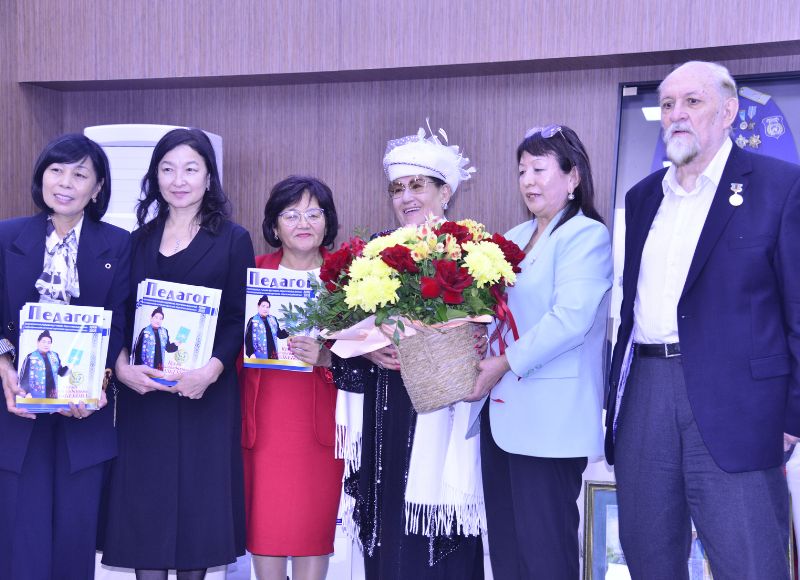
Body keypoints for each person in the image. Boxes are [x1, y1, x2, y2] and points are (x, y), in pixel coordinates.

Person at [605, 60, 800, 580]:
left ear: (728, 112)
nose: (676, 114)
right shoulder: (642, 198)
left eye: (693, 101)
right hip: (646, 395)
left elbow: (798, 309)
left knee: (750, 563)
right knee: (649, 558)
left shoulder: (780, 186)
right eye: (667, 104)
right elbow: (630, 310)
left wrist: (793, 415)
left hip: (740, 407)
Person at [330, 126, 485, 580]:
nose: (406, 197)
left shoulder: (472, 252)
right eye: (397, 189)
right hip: (388, 406)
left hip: (445, 404)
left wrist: (476, 334)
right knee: (389, 522)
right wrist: (367, 352)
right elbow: (340, 332)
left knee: (438, 526)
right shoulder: (373, 253)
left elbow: (489, 328)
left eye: (417, 185)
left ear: (445, 192)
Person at [101, 128, 255, 580]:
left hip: (205, 394)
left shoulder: (233, 239)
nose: (178, 180)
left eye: (190, 169)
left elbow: (238, 318)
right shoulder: (137, 241)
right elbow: (119, 313)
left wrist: (210, 371)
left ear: (209, 176)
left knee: (198, 512)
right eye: (167, 169)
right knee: (144, 508)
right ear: (155, 177)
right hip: (145, 397)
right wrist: (121, 367)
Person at [465, 125, 612, 580]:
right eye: (522, 170)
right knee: (507, 555)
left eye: (539, 169)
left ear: (573, 177)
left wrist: (502, 363)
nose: (528, 180)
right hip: (501, 418)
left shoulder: (586, 235)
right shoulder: (512, 237)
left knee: (545, 556)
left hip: (550, 422)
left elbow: (569, 320)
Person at [0, 133, 131, 580]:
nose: (65, 182)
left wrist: (100, 381)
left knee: (74, 542)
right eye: (56, 170)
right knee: (21, 541)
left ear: (97, 188)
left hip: (84, 412)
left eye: (80, 174)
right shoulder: (6, 236)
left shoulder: (118, 243)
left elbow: (119, 321)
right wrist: (4, 367)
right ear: (41, 178)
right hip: (18, 412)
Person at [239, 176, 343, 580]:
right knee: (265, 523)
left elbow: (366, 354)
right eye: (291, 214)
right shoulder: (251, 272)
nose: (304, 223)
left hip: (321, 419)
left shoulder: (347, 277)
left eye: (314, 213)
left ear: (327, 221)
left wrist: (328, 356)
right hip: (263, 419)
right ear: (274, 224)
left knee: (312, 527)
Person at [19, 330, 70, 398]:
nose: (46, 345)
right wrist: (26, 392)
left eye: (49, 342)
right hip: (35, 395)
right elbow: (23, 376)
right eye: (44, 342)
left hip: (52, 395)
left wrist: (71, 366)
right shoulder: (31, 357)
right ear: (38, 342)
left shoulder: (55, 356)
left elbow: (61, 372)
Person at [244, 295, 287, 359]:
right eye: (263, 306)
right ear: (258, 306)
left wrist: (288, 330)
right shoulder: (253, 320)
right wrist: (251, 354)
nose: (265, 309)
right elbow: (248, 338)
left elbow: (279, 334)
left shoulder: (273, 319)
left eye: (267, 307)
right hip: (259, 356)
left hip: (273, 355)